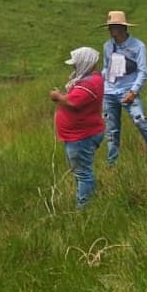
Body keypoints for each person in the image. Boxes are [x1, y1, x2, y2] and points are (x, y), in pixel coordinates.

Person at [100, 10, 147, 167]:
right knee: (111, 130)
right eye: (109, 26)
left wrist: (134, 91)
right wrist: (100, 80)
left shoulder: (138, 46)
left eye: (114, 26)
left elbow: (143, 72)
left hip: (128, 90)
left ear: (122, 27)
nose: (110, 30)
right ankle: (112, 163)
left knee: (139, 120)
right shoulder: (107, 46)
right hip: (109, 91)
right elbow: (106, 67)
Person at [50, 47, 105, 209]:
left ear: (84, 63)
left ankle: (84, 209)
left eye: (76, 64)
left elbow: (72, 102)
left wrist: (57, 96)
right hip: (80, 135)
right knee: (81, 171)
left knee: (83, 174)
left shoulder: (89, 83)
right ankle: (85, 202)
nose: (74, 67)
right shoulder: (91, 80)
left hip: (81, 136)